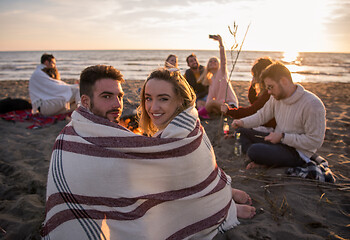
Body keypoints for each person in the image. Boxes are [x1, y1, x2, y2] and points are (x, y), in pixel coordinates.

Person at [41, 65, 254, 240]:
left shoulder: (185, 132)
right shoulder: (69, 142)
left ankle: (217, 194)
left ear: (179, 100)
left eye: (120, 96)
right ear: (85, 102)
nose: (117, 104)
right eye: (107, 96)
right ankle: (217, 195)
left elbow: (188, 169)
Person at [138, 68, 256, 216]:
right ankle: (223, 191)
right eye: (148, 98)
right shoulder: (187, 119)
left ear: (180, 99)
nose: (153, 107)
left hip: (198, 190)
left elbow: (197, 174)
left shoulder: (186, 129)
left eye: (163, 98)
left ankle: (223, 202)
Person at [231, 62, 326, 169]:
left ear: (284, 81)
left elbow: (315, 141)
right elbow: (261, 116)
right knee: (241, 132)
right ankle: (262, 159)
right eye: (267, 88)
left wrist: (283, 137)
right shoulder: (275, 98)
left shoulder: (312, 104)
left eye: (271, 87)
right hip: (277, 143)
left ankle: (260, 158)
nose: (269, 92)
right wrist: (242, 122)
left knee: (254, 150)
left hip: (297, 152)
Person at [221, 57, 276, 133]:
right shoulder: (267, 90)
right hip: (264, 124)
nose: (254, 78)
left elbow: (252, 111)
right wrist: (253, 85)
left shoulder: (269, 92)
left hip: (271, 128)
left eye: (255, 75)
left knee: (241, 130)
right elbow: (254, 102)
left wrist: (229, 111)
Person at [197, 35, 239, 118]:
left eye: (215, 61)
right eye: (210, 61)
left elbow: (223, 60)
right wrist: (207, 104)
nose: (213, 62)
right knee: (200, 102)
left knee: (211, 103)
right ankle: (206, 114)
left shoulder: (222, 72)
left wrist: (221, 43)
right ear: (208, 66)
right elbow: (209, 97)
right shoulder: (211, 79)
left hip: (229, 106)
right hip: (219, 106)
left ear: (219, 64)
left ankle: (199, 114)